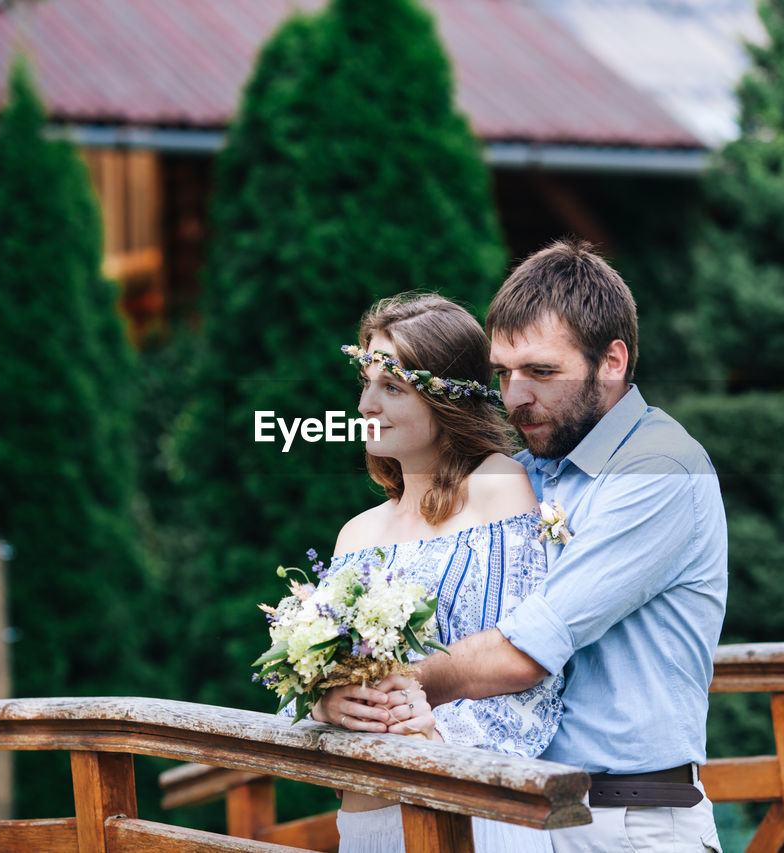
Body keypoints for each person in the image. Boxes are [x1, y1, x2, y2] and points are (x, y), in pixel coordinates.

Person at [325, 240, 728, 852]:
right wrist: (334, 689)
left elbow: (525, 652)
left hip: (633, 822)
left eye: (540, 372)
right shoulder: (526, 472)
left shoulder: (660, 471)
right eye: (503, 374)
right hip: (530, 815)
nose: (514, 398)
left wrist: (395, 685)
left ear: (612, 361)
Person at [311, 293, 563, 853]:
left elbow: (529, 669)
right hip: (364, 821)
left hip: (466, 812)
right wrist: (323, 702)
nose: (365, 406)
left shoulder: (497, 488)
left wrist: (425, 727)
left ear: (446, 399)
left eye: (392, 387)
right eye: (367, 383)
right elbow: (313, 674)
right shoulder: (355, 534)